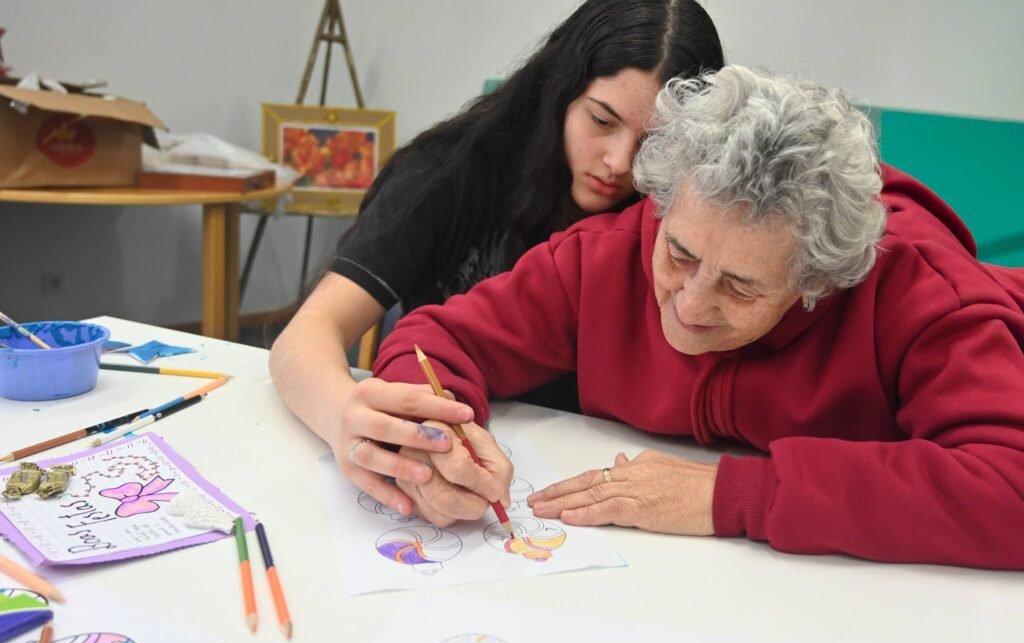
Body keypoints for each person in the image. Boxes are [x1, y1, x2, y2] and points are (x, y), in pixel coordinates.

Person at [371, 65, 1024, 569]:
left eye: (740, 287)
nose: (688, 306)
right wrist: (430, 437)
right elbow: (436, 338)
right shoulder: (610, 252)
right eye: (679, 254)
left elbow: (1011, 487)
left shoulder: (922, 294)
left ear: (817, 283)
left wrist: (731, 495)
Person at [269, 0, 724, 517]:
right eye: (601, 120)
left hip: (596, 477)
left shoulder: (670, 220)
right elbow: (305, 337)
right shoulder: (452, 172)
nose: (619, 163)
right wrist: (344, 419)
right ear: (560, 90)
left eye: (656, 143)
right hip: (463, 453)